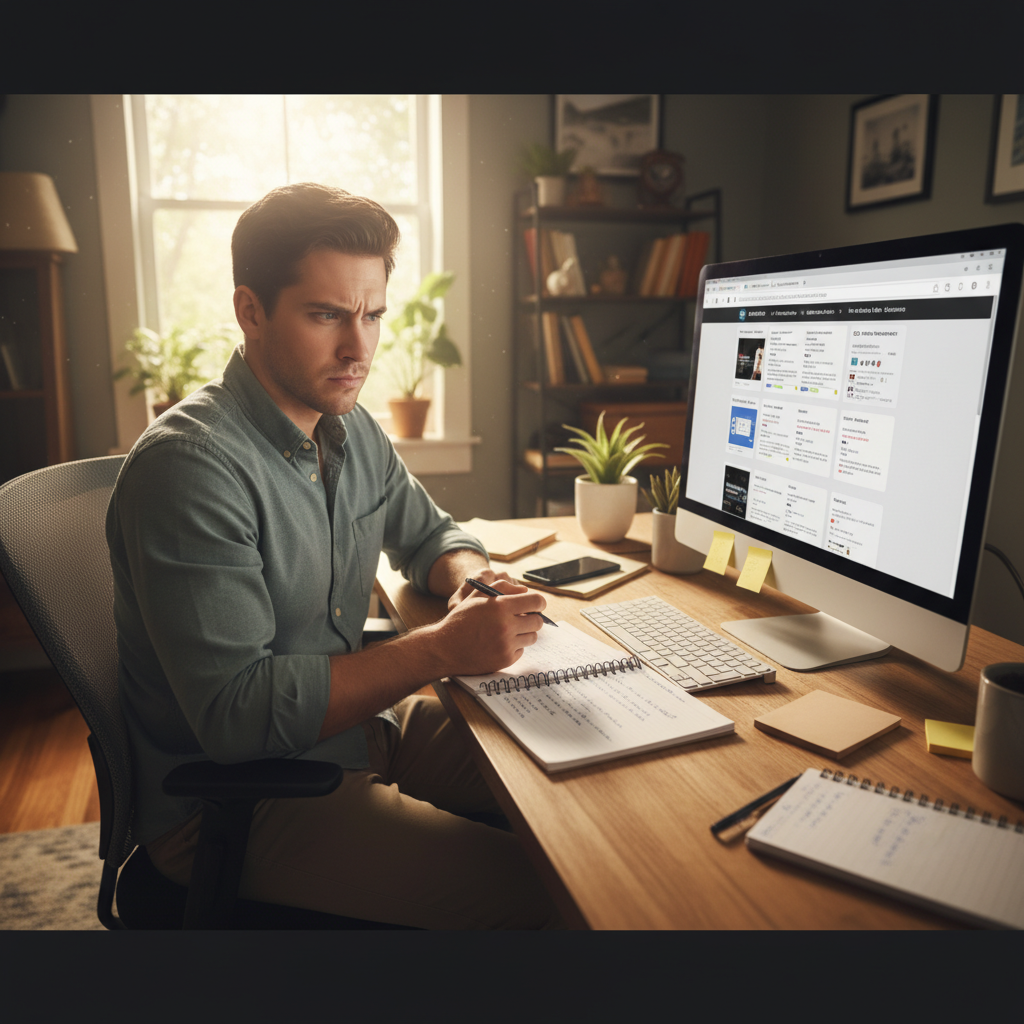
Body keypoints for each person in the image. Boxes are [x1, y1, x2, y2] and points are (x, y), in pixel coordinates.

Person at [106, 182, 562, 929]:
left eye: (372, 315)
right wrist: (440, 650)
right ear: (251, 311)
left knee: (580, 781)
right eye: (326, 316)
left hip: (358, 733)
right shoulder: (189, 468)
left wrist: (469, 579)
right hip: (238, 802)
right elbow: (235, 716)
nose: (359, 349)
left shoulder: (348, 429)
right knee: (556, 895)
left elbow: (431, 533)